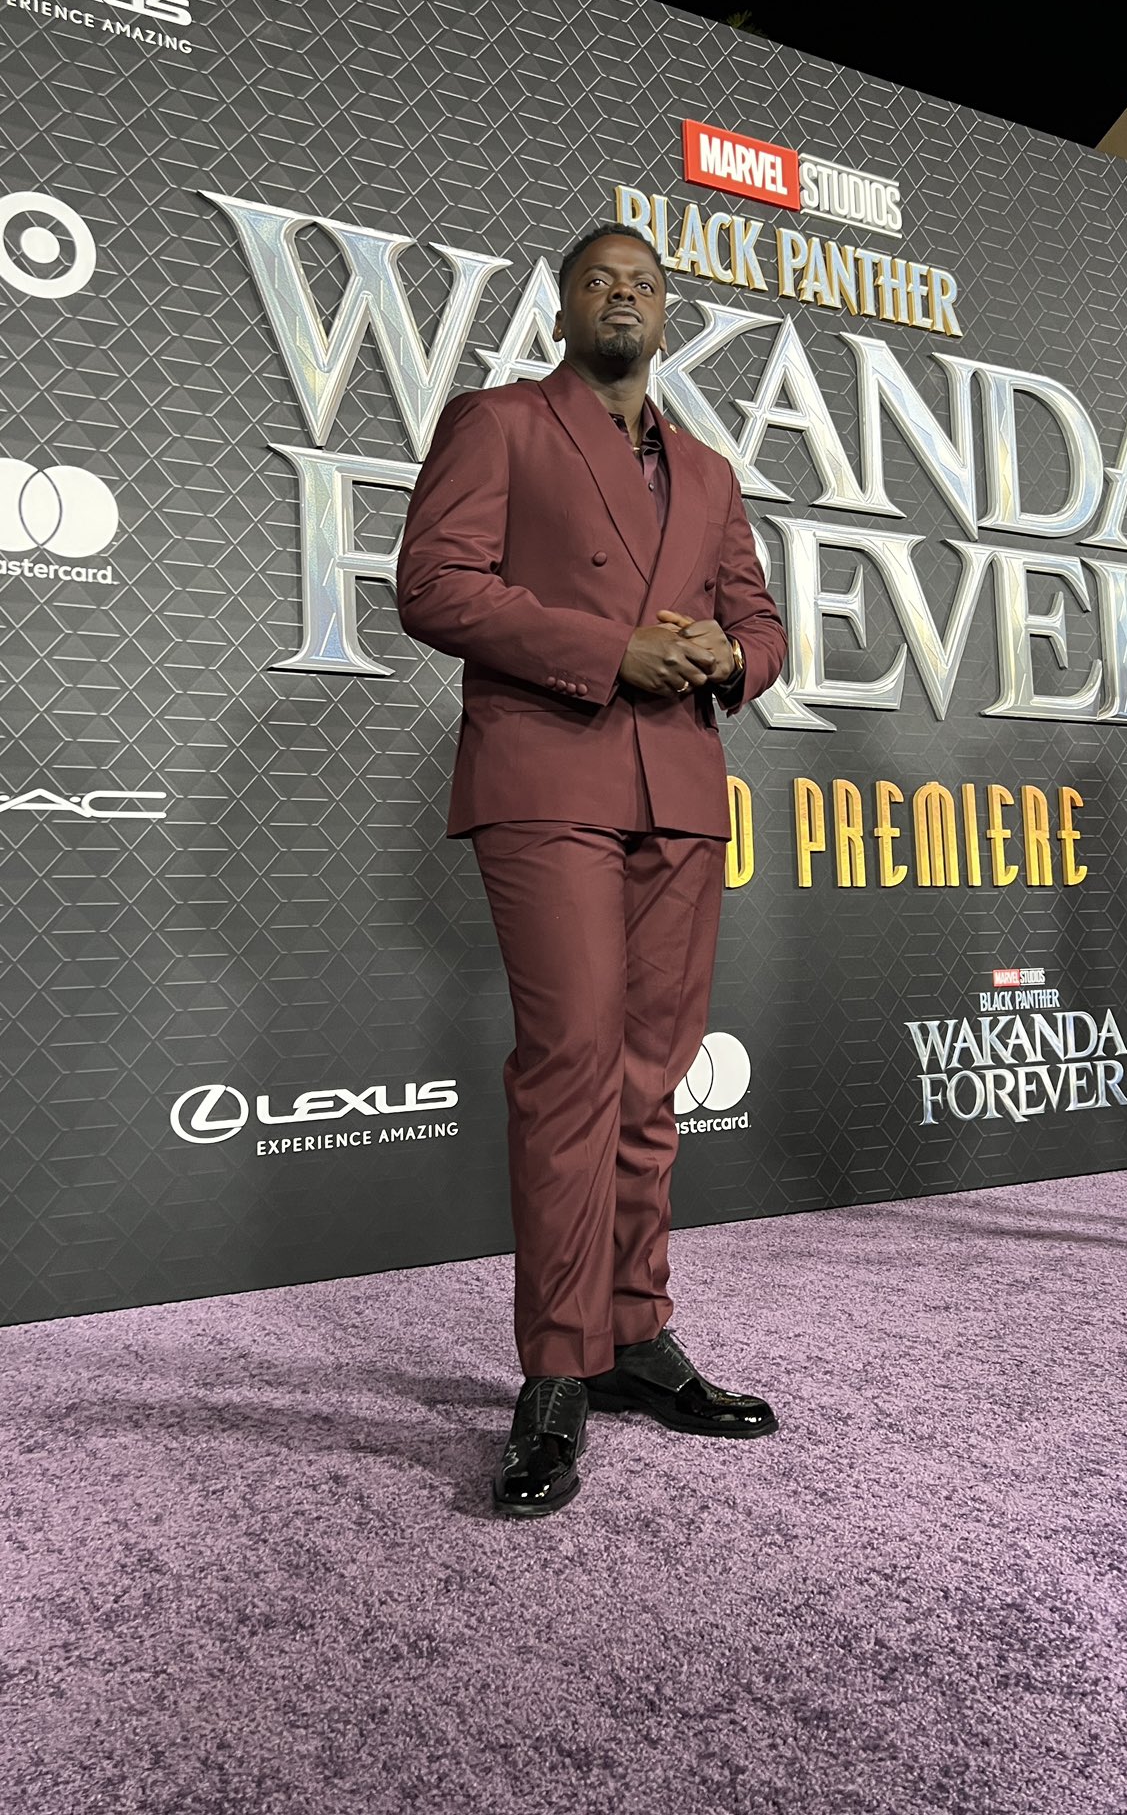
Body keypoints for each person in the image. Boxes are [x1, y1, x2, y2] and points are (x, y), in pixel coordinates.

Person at [397, 224, 788, 1517]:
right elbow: (433, 585)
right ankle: (556, 1374)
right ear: (564, 305)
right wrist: (612, 650)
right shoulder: (498, 422)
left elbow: (764, 625)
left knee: (651, 1082)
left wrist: (725, 660)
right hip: (548, 778)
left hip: (679, 795)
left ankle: (633, 1336)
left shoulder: (715, 471)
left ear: (667, 313)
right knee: (571, 1074)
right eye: (598, 278)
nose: (622, 295)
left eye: (645, 282)